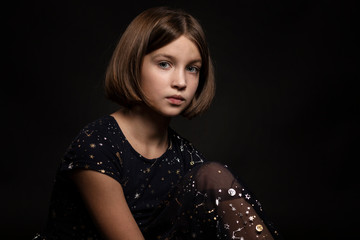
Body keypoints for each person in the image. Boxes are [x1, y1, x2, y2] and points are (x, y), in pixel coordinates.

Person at [34, 6, 281, 240]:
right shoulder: (97, 147)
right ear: (133, 64)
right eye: (165, 64)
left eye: (193, 69)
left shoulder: (186, 157)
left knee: (212, 177)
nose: (181, 81)